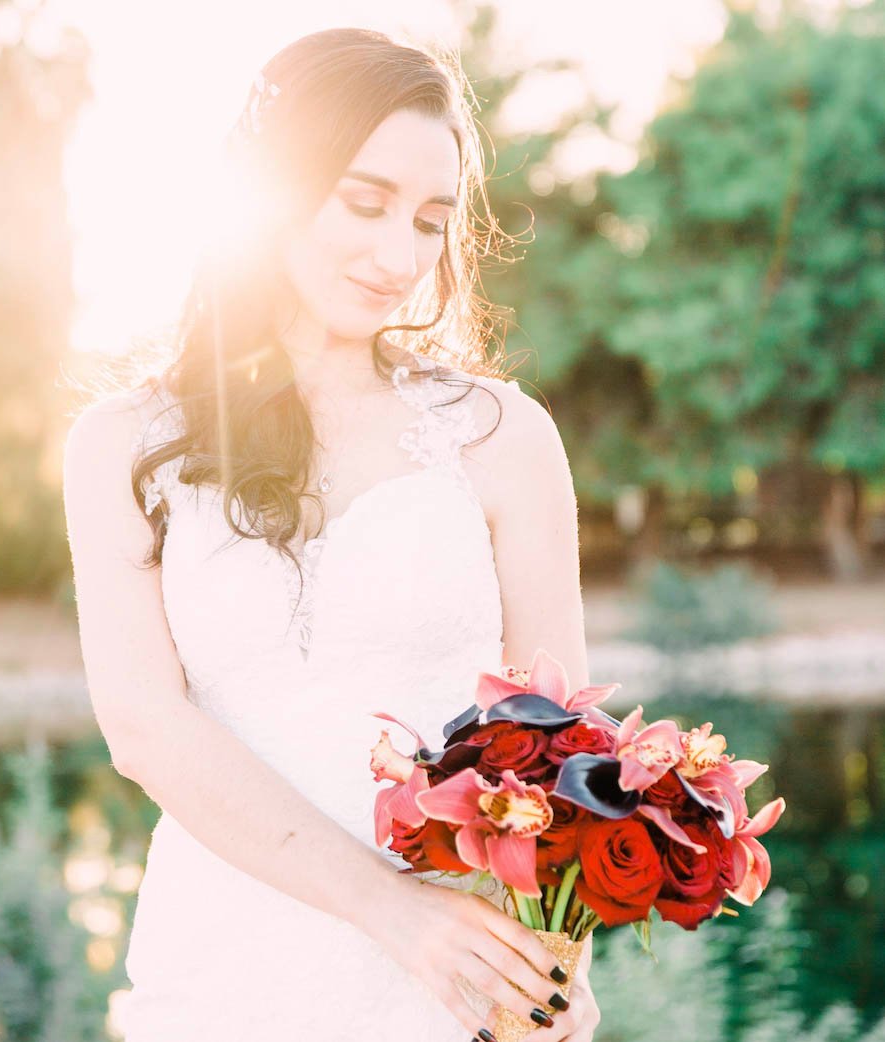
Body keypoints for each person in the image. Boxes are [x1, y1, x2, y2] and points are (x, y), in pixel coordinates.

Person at [63, 26, 601, 1042]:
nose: (398, 254)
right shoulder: (119, 445)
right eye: (365, 204)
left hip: (460, 982)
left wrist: (557, 960)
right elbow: (144, 725)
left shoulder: (503, 437)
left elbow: (559, 749)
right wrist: (389, 908)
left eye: (431, 221)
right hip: (227, 972)